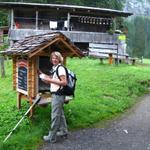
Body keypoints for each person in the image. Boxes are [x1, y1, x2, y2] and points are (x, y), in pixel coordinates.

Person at [39, 51, 68, 143]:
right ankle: (63, 131)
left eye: (56, 58)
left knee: (55, 116)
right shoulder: (55, 68)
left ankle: (52, 137)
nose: (54, 59)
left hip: (58, 95)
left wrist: (50, 80)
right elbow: (53, 79)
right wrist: (43, 76)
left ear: (59, 59)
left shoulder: (60, 69)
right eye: (52, 58)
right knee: (60, 114)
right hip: (56, 94)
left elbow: (64, 82)